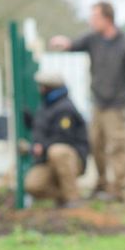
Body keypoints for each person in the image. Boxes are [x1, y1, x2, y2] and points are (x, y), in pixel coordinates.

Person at [50, 0, 125, 203]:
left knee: (117, 147)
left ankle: (117, 188)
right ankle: (101, 183)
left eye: (95, 17)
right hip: (97, 104)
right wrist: (62, 42)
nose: (91, 21)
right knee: (96, 145)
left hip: (116, 106)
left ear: (107, 18)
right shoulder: (93, 39)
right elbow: (72, 45)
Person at [24, 71, 89, 209]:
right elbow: (41, 129)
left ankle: (73, 199)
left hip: (70, 158)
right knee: (33, 185)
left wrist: (41, 147)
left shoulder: (65, 108)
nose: (39, 89)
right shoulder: (46, 106)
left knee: (57, 151)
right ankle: (63, 196)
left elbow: (63, 137)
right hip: (48, 159)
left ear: (50, 88)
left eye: (42, 86)